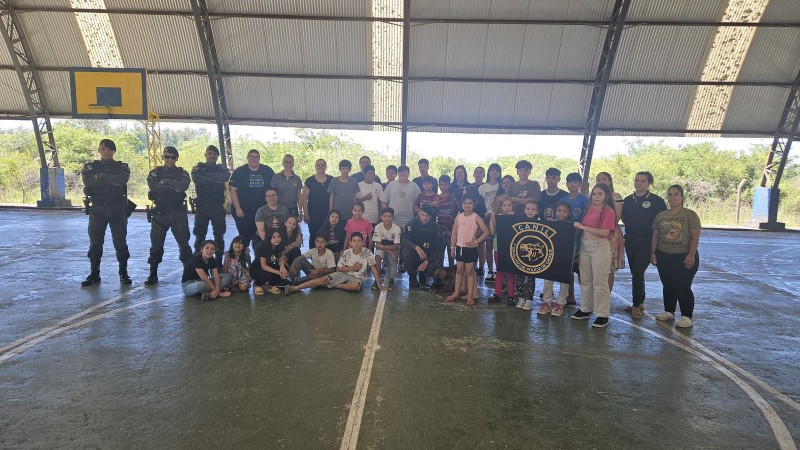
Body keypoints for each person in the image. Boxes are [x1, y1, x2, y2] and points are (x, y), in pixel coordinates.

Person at [80, 138, 132, 286]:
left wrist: (100, 177)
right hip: (98, 208)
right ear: (99, 150)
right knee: (95, 243)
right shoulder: (90, 166)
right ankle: (94, 273)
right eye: (103, 148)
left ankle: (123, 273)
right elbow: (88, 182)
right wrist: (110, 180)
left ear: (114, 151)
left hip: (117, 208)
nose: (106, 151)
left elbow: (121, 180)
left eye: (109, 149)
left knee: (120, 242)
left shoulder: (122, 167)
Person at [651, 185, 701, 328]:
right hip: (664, 255)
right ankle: (669, 311)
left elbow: (694, 237)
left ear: (682, 197)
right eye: (670, 194)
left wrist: (691, 254)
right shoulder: (661, 215)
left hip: (683, 255)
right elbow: (655, 235)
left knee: (682, 286)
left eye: (676, 194)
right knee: (668, 284)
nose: (673, 197)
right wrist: (653, 252)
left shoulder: (690, 215)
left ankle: (687, 316)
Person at [621, 171, 667, 319]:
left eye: (643, 180)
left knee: (638, 272)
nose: (639, 183)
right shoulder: (627, 200)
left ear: (649, 183)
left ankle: (636, 306)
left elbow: (662, 223)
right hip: (631, 240)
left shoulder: (657, 201)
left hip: (647, 241)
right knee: (636, 271)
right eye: (637, 180)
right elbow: (623, 218)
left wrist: (658, 245)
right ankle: (640, 302)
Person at [571, 184, 618, 328]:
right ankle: (586, 308)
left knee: (600, 281)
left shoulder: (609, 211)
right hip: (585, 246)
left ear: (606, 196)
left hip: (599, 247)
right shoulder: (589, 208)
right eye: (595, 194)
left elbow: (605, 232)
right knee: (585, 279)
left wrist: (582, 227)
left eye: (600, 194)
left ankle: (602, 314)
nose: (596, 197)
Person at [145, 146, 193, 286]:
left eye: (173, 157)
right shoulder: (155, 172)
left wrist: (165, 182)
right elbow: (154, 187)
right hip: (160, 213)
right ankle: (153, 274)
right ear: (163, 157)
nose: (170, 160)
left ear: (176, 158)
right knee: (156, 246)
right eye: (167, 157)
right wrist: (174, 186)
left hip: (178, 213)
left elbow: (183, 186)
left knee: (184, 245)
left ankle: (188, 274)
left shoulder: (182, 172)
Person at [284, 232, 388, 294]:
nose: (356, 243)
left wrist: (379, 284)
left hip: (357, 278)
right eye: (354, 241)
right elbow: (338, 269)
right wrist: (352, 267)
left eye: (359, 241)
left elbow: (373, 268)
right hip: (342, 274)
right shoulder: (346, 253)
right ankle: (294, 288)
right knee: (322, 280)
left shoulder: (367, 252)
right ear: (350, 243)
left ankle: (334, 285)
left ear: (363, 242)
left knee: (355, 287)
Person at [446, 196, 489, 307]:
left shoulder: (476, 217)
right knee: (459, 270)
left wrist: (476, 241)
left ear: (474, 205)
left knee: (469, 272)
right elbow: (454, 232)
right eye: (465, 203)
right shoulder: (459, 216)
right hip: (459, 248)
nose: (467, 205)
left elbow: (486, 231)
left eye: (470, 203)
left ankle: (470, 296)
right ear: (461, 204)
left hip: (470, 249)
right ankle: (456, 292)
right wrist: (452, 247)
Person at [191, 145, 229, 265]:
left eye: (214, 154)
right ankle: (197, 264)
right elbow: (197, 179)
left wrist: (207, 176)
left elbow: (225, 177)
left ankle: (218, 263)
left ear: (217, 156)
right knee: (199, 237)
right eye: (210, 153)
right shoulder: (198, 168)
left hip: (217, 206)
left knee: (219, 236)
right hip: (202, 207)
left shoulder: (222, 168)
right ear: (205, 155)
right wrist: (215, 178)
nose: (212, 156)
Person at [229, 149, 274, 248]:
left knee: (260, 237)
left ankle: (258, 261)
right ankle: (242, 260)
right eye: (251, 156)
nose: (254, 159)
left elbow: (273, 190)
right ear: (247, 158)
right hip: (243, 211)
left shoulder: (267, 171)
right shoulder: (239, 172)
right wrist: (237, 208)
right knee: (244, 238)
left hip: (261, 212)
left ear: (259, 158)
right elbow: (232, 190)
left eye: (256, 157)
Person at [539, 202, 573, 317]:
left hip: (565, 255)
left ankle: (560, 304)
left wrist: (574, 254)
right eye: (559, 211)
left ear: (569, 213)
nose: (561, 213)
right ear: (555, 212)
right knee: (548, 278)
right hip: (551, 254)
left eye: (564, 211)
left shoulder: (572, 225)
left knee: (564, 280)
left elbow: (574, 242)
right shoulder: (550, 224)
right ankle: (547, 301)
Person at [595, 171, 625, 292]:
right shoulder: (593, 196)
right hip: (594, 234)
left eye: (604, 179)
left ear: (609, 182)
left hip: (611, 234)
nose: (601, 181)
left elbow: (615, 218)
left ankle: (606, 296)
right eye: (598, 179)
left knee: (608, 268)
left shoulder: (616, 196)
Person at [562, 172, 589, 305]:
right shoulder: (563, 199)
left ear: (579, 184)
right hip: (566, 239)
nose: (572, 185)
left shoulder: (584, 200)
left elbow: (585, 217)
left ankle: (585, 299)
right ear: (566, 184)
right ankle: (570, 296)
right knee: (568, 270)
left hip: (580, 238)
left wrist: (580, 230)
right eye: (570, 182)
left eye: (575, 182)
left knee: (581, 270)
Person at [402, 204, 441, 288]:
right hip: (414, 255)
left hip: (428, 257)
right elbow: (403, 240)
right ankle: (412, 277)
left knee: (438, 271)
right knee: (405, 250)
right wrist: (416, 247)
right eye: (422, 215)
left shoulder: (435, 227)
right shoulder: (411, 224)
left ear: (431, 216)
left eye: (427, 216)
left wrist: (427, 261)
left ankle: (423, 276)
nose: (425, 218)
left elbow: (439, 249)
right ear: (419, 214)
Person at [487, 196, 516, 304]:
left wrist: (512, 218)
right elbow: (492, 231)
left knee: (511, 273)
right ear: (500, 207)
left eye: (509, 205)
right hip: (498, 247)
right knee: (499, 271)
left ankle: (511, 295)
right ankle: (497, 294)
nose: (507, 208)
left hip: (510, 248)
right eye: (504, 205)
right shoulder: (497, 216)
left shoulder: (514, 217)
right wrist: (492, 218)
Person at [514, 200, 540, 311]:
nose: (530, 211)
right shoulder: (519, 221)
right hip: (521, 255)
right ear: (524, 210)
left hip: (533, 256)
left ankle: (529, 300)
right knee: (519, 278)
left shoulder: (540, 223)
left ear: (537, 211)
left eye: (533, 209)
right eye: (528, 209)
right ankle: (520, 298)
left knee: (530, 278)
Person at [478, 163, 502, 282]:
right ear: (488, 172)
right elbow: (480, 204)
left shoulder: (501, 186)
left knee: (499, 247)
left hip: (499, 218)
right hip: (486, 217)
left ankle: (499, 271)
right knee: (488, 246)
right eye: (492, 170)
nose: (494, 172)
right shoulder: (483, 187)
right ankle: (490, 271)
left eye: (497, 170)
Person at [303, 159, 333, 248]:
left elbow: (332, 197)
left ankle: (326, 258)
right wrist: (306, 213)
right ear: (315, 167)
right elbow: (304, 198)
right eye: (318, 165)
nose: (320, 167)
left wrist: (331, 213)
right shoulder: (309, 180)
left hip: (327, 214)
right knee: (313, 235)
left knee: (326, 235)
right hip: (313, 214)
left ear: (326, 166)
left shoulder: (331, 179)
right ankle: (313, 258)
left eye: (322, 165)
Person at [381, 164, 421, 230]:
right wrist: (385, 215)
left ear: (408, 173)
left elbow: (419, 203)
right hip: (392, 220)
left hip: (409, 220)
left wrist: (417, 217)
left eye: (405, 172)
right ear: (398, 174)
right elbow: (384, 201)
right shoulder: (391, 185)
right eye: (400, 172)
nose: (403, 174)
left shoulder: (415, 186)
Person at [250, 229, 289, 295]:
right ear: (269, 237)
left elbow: (281, 259)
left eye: (279, 236)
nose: (277, 239)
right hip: (256, 269)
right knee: (267, 274)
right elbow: (264, 266)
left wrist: (282, 268)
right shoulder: (263, 246)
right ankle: (257, 285)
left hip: (269, 266)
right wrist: (278, 272)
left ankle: (270, 285)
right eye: (273, 237)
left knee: (286, 268)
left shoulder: (279, 246)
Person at [373, 207, 402, 288]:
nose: (387, 218)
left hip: (392, 250)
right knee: (378, 256)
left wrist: (392, 252)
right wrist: (391, 252)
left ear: (393, 217)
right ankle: (377, 278)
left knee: (392, 277)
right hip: (386, 250)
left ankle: (387, 265)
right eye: (385, 216)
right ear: (381, 217)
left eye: (390, 216)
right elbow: (377, 245)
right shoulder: (378, 227)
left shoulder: (397, 229)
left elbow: (396, 246)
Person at [270, 154, 304, 219]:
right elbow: (272, 194)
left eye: (290, 162)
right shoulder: (276, 177)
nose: (288, 164)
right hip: (278, 208)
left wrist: (300, 210)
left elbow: (299, 196)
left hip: (293, 208)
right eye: (286, 162)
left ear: (293, 164)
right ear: (283, 163)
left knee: (292, 228)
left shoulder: (297, 179)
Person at [436, 175, 457, 267]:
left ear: (449, 185)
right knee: (440, 253)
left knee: (451, 252)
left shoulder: (453, 198)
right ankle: (440, 272)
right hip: (440, 229)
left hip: (451, 229)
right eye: (441, 185)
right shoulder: (436, 198)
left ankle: (452, 273)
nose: (443, 187)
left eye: (445, 185)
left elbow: (456, 213)